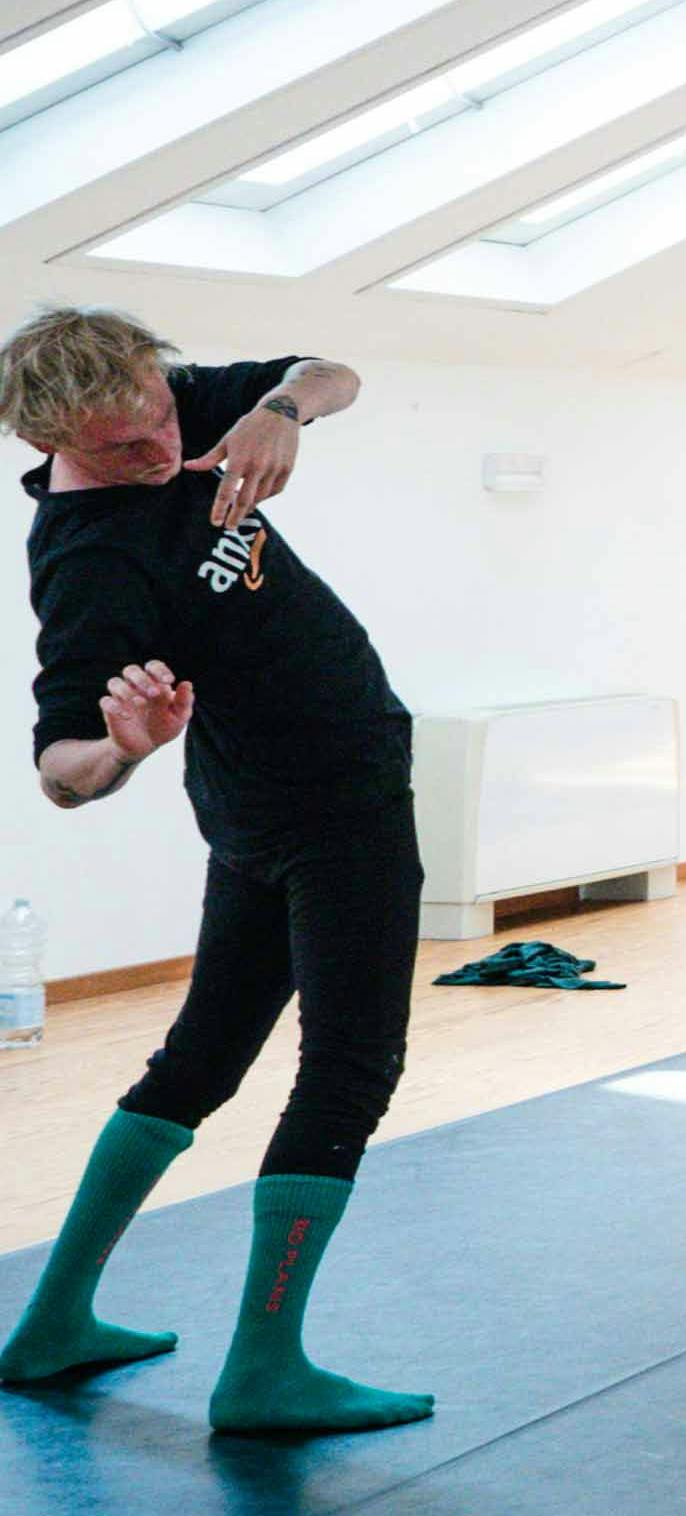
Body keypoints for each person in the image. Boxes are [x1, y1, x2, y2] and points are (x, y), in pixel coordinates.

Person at [0, 313, 432, 1435]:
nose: (162, 447)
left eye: (162, 415)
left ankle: (52, 1324)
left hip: (262, 801)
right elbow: (57, 771)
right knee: (349, 1070)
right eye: (128, 444)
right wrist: (124, 746)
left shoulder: (171, 397)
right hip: (328, 809)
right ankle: (265, 1371)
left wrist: (283, 408)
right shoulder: (90, 559)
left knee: (196, 1059)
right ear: (55, 441)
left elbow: (334, 368)